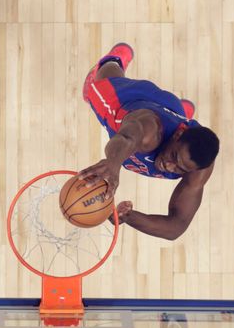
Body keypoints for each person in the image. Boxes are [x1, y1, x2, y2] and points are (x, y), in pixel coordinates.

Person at [78, 43, 220, 240]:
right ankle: (113, 60)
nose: (168, 166)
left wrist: (127, 216)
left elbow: (175, 228)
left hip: (169, 107)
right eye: (173, 156)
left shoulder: (199, 168)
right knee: (99, 84)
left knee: (177, 108)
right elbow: (127, 138)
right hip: (125, 101)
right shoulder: (149, 132)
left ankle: (181, 113)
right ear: (177, 136)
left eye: (179, 169)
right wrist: (113, 164)